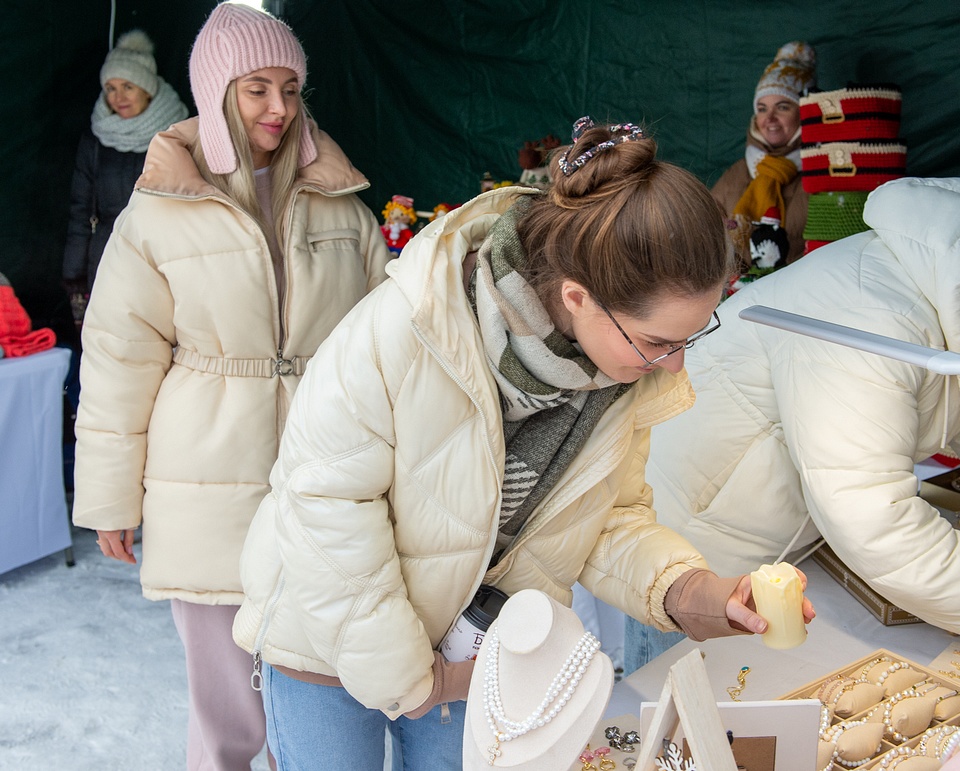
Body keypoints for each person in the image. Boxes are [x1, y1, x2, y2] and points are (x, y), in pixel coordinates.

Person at [232, 116, 814, 770]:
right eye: (658, 342)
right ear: (577, 296)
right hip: (323, 645)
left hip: (470, 653)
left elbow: (607, 519)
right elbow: (327, 506)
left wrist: (693, 590)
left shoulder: (613, 379)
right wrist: (411, 678)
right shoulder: (407, 328)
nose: (675, 365)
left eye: (691, 336)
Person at [626, 166, 960, 672]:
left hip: (771, 530)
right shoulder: (871, 317)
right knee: (681, 708)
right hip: (689, 538)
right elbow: (872, 517)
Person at [70, 4, 392, 769]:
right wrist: (111, 497)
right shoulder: (157, 213)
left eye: (290, 88)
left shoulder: (343, 207)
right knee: (227, 719)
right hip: (205, 485)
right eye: (257, 89)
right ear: (217, 91)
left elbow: (391, 341)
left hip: (323, 488)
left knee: (315, 701)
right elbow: (118, 357)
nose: (279, 107)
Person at [62, 29, 188, 324]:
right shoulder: (95, 140)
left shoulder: (178, 134)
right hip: (107, 259)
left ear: (147, 89)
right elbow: (81, 211)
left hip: (163, 259)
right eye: (110, 88)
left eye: (127, 86)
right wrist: (74, 277)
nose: (118, 97)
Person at [711, 41, 815, 273]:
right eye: (762, 108)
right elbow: (703, 236)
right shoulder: (737, 173)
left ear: (803, 112)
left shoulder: (818, 173)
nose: (770, 118)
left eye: (783, 107)